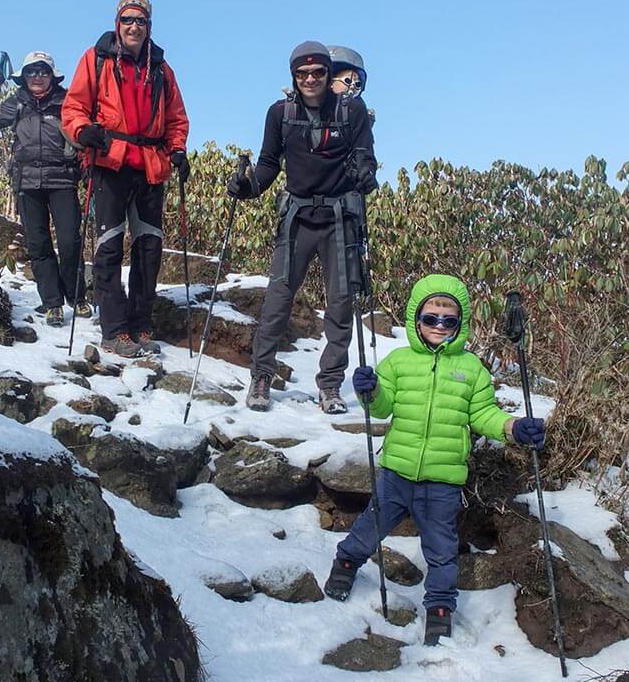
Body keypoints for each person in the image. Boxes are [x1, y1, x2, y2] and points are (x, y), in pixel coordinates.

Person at [323, 273, 546, 645]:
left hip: (443, 481)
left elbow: (483, 415)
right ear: (416, 319)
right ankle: (346, 563)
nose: (439, 326)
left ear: (461, 324)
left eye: (449, 321)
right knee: (369, 527)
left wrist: (514, 428)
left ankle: (440, 608)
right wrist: (370, 389)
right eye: (431, 319)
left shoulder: (472, 369)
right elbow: (382, 407)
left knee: (442, 550)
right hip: (397, 472)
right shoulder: (398, 361)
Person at [227, 41, 378, 414]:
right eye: (302, 73)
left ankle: (330, 385)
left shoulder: (352, 111)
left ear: (328, 75)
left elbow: (366, 157)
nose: (310, 79)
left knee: (341, 305)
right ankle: (261, 376)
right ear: (293, 78)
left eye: (318, 72)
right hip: (297, 219)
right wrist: (248, 187)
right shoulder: (280, 114)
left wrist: (364, 172)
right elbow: (268, 163)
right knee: (278, 300)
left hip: (340, 220)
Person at [62, 0, 190, 358]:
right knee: (109, 247)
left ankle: (141, 325)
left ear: (149, 26)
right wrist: (82, 131)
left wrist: (177, 149)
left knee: (149, 248)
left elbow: (177, 118)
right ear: (117, 23)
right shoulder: (96, 59)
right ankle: (114, 330)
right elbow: (73, 107)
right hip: (110, 161)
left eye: (141, 21)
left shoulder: (162, 69)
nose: (134, 27)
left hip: (150, 165)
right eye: (128, 20)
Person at [0, 51, 89, 328]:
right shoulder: (17, 102)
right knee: (38, 245)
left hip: (62, 180)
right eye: (31, 71)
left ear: (52, 75)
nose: (37, 77)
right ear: (23, 76)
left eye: (43, 71)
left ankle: (77, 296)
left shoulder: (67, 101)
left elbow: (85, 130)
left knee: (69, 242)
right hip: (27, 182)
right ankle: (52, 303)